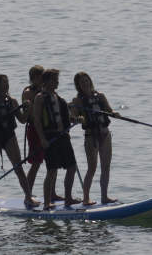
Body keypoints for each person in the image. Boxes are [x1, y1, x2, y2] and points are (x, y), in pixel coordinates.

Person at [0, 74, 36, 209]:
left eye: (7, 82)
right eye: (3, 83)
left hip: (10, 137)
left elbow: (22, 120)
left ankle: (28, 197)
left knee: (18, 168)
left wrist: (27, 108)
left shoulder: (13, 102)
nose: (6, 85)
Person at [33, 67, 78, 209]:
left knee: (71, 167)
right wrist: (42, 139)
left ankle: (68, 198)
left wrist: (75, 119)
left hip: (63, 137)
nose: (57, 83)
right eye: (54, 80)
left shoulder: (59, 98)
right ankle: (47, 203)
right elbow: (37, 121)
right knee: (52, 170)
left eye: (57, 80)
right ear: (46, 81)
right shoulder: (40, 98)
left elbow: (65, 117)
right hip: (50, 138)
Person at [71, 71, 119, 205]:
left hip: (105, 134)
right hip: (91, 137)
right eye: (82, 82)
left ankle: (104, 197)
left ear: (90, 81)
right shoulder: (77, 101)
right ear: (78, 86)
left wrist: (114, 113)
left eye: (86, 80)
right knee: (92, 168)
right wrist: (77, 118)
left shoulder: (100, 96)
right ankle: (86, 199)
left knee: (106, 166)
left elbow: (109, 110)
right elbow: (73, 117)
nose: (85, 83)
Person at [19, 64, 45, 193]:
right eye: (39, 77)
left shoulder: (46, 91)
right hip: (34, 130)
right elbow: (27, 114)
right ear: (33, 78)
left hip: (47, 130)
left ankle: (52, 194)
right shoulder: (28, 92)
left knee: (52, 164)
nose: (42, 80)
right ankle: (28, 194)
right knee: (36, 163)